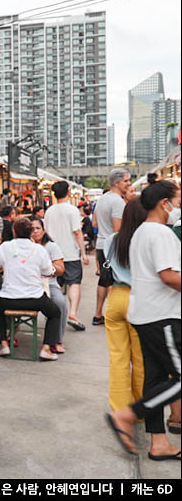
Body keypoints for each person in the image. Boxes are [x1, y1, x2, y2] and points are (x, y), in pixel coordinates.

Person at [106, 180, 181, 460]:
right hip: (162, 315)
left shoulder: (140, 233)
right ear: (164, 203)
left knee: (155, 378)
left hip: (144, 313)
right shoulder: (160, 234)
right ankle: (126, 415)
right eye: (178, 198)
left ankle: (159, 443)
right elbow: (168, 275)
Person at [0, 217, 62, 361]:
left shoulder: (5, 247)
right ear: (30, 232)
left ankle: (4, 344)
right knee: (55, 313)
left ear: (13, 231)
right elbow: (48, 271)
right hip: (35, 299)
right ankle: (46, 348)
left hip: (8, 299)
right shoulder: (39, 250)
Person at [103, 197, 147, 413]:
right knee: (140, 360)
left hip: (116, 299)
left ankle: (120, 410)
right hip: (140, 299)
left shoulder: (112, 239)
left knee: (118, 359)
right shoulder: (147, 239)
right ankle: (138, 411)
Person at [44, 180, 89, 331]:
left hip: (52, 254)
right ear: (68, 192)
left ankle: (54, 313)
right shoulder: (72, 210)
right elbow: (77, 232)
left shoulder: (49, 211)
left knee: (54, 285)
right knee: (74, 283)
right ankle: (73, 314)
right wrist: (83, 253)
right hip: (70, 253)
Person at [92, 168, 131, 327]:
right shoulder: (117, 201)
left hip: (101, 246)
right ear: (116, 182)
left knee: (104, 280)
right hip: (112, 247)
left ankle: (98, 314)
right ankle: (111, 314)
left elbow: (94, 223)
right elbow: (117, 230)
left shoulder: (102, 198)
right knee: (115, 282)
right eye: (126, 181)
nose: (129, 184)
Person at [29, 217, 68, 354]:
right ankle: (10, 336)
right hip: (28, 284)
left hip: (49, 284)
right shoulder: (24, 246)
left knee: (60, 302)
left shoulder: (51, 247)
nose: (35, 232)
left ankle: (56, 340)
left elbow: (61, 269)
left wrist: (47, 268)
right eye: (32, 229)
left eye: (38, 228)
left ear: (44, 230)